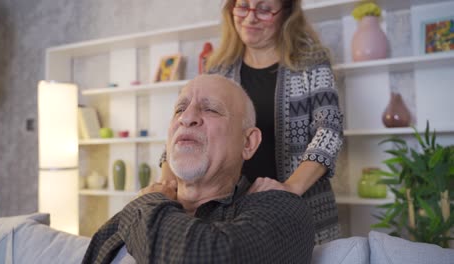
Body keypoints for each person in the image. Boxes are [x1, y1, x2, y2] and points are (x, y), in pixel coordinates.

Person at [160, 0, 344, 244]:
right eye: (243, 6)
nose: (250, 17)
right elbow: (186, 126)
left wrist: (289, 190)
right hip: (233, 215)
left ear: (286, 13)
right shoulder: (219, 69)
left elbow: (329, 130)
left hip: (304, 207)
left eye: (264, 9)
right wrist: (167, 187)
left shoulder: (309, 62)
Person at [82, 74, 315, 264]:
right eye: (179, 109)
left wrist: (147, 204)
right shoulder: (133, 212)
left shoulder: (283, 211)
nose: (187, 117)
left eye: (211, 109)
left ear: (248, 143)